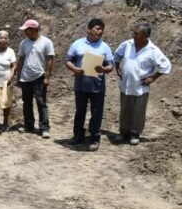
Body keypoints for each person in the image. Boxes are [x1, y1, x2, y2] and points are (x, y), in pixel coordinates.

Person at [113, 22, 171, 146]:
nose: (133, 35)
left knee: (138, 111)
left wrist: (153, 78)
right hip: (126, 83)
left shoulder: (153, 50)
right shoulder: (128, 44)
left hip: (141, 86)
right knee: (125, 110)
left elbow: (165, 66)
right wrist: (117, 68)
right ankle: (123, 132)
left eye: (136, 34)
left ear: (145, 36)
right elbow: (117, 55)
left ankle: (134, 133)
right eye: (133, 32)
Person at [64, 19, 115, 150]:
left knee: (96, 113)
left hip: (97, 86)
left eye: (101, 29)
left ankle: (94, 138)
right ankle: (78, 136)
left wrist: (103, 69)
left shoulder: (104, 47)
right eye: (97, 28)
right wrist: (75, 69)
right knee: (80, 111)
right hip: (81, 85)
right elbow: (68, 60)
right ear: (88, 29)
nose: (100, 31)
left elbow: (110, 65)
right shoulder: (77, 44)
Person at [15, 19, 55, 139]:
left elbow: (50, 59)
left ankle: (44, 128)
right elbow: (20, 59)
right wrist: (18, 77)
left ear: (33, 29)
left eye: (27, 30)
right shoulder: (24, 43)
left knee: (41, 103)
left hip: (39, 77)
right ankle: (29, 126)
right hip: (26, 77)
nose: (25, 33)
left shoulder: (46, 42)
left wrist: (47, 77)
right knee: (27, 103)